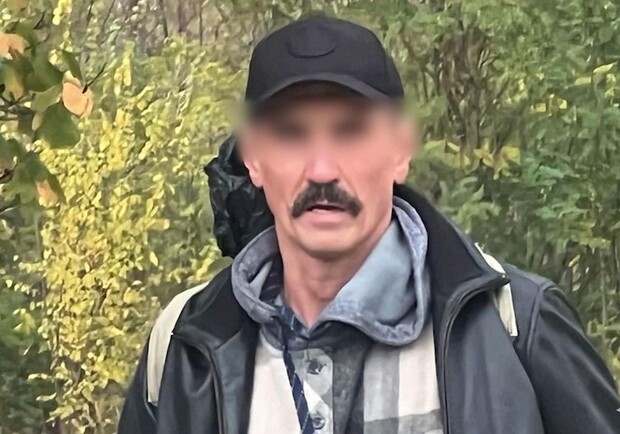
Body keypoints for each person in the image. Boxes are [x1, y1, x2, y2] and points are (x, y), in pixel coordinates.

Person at [118, 16, 620, 434]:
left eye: (350, 131)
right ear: (254, 159)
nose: (321, 170)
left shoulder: (513, 326)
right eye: (291, 134)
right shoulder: (184, 345)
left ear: (400, 151)